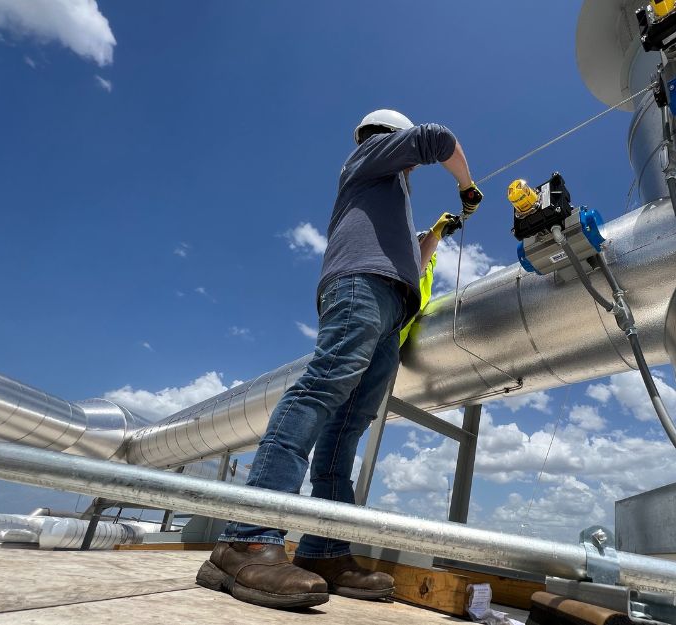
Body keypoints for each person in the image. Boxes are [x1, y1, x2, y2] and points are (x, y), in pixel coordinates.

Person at [196, 109, 483, 609]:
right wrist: (467, 186)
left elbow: (410, 258)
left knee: (348, 424)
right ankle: (246, 538)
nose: (411, 168)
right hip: (361, 287)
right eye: (406, 155)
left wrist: (435, 234)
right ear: (389, 138)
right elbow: (440, 138)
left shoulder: (385, 192)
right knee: (321, 389)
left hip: (391, 303)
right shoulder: (369, 156)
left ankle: (324, 550)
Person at [399, 212, 462, 346]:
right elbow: (415, 268)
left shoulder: (426, 278)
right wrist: (434, 234)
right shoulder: (403, 265)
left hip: (391, 344)